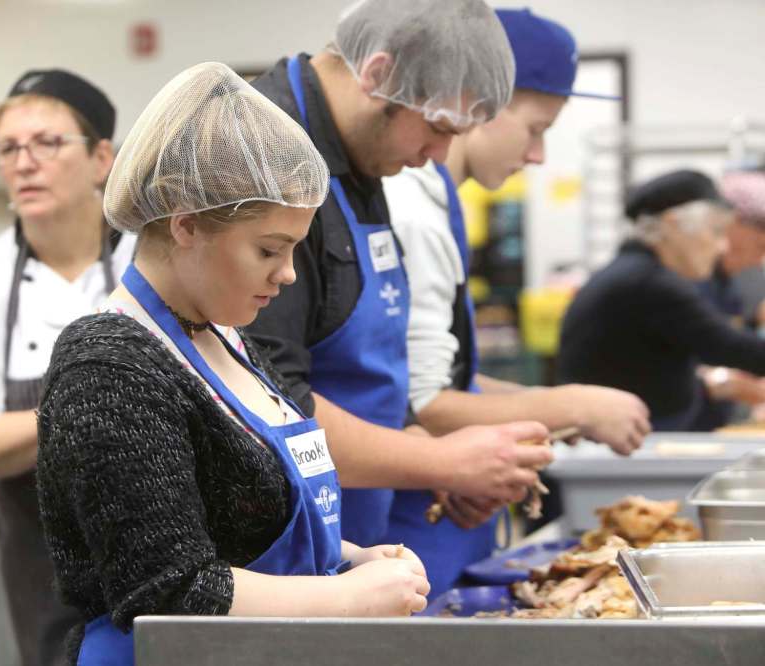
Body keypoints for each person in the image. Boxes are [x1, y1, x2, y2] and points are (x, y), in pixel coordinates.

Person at [36, 62, 430, 666]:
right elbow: (171, 590)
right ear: (186, 225)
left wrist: (350, 559)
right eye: (269, 250)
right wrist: (345, 597)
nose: (288, 274)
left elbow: (248, 527)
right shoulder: (107, 369)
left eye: (294, 249)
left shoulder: (228, 338)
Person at [246, 0, 552, 559]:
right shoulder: (269, 159)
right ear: (379, 73)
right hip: (277, 550)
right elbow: (262, 396)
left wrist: (427, 460)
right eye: (436, 128)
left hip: (350, 537)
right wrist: (435, 459)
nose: (437, 155)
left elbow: (373, 368)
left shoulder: (363, 156)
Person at [381, 8, 651, 591]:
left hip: (443, 522)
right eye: (535, 129)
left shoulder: (439, 202)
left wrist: (541, 406)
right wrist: (572, 404)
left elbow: (437, 374)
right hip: (408, 527)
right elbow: (424, 404)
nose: (538, 156)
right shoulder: (412, 210)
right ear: (479, 102)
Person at [0, 69, 135, 666]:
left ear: (102, 159)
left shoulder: (153, 259)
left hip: (165, 551)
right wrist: (91, 409)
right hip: (44, 577)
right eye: (8, 148)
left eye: (47, 143)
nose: (24, 163)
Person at [557, 169, 765, 431]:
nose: (722, 247)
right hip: (625, 443)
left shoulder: (636, 272)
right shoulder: (649, 283)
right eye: (715, 231)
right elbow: (728, 346)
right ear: (672, 225)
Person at [691, 169, 765, 429]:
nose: (758, 260)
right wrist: (727, 383)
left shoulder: (726, 284)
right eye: (760, 246)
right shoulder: (691, 279)